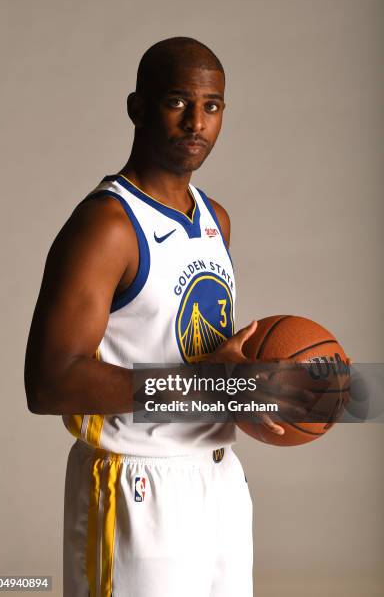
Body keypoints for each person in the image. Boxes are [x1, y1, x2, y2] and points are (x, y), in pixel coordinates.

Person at [24, 36, 284, 597]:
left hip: (219, 479)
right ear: (137, 107)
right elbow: (48, 384)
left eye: (212, 106)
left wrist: (254, 396)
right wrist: (198, 386)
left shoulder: (216, 219)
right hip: (136, 483)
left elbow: (202, 362)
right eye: (177, 102)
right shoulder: (107, 226)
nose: (197, 122)